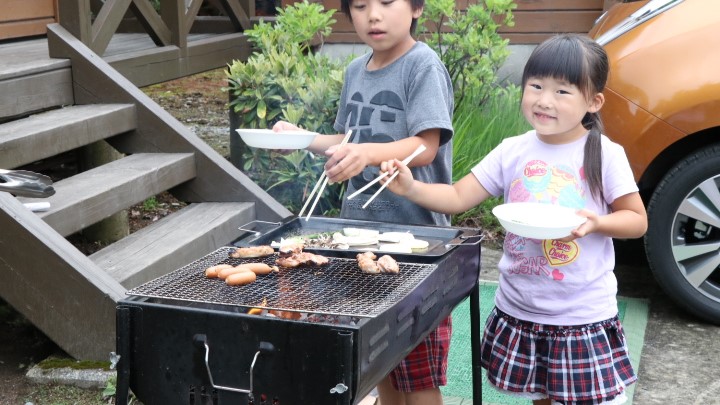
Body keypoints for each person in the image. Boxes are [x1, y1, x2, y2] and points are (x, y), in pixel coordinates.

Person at [379, 34, 648, 405]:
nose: (544, 100)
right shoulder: (513, 150)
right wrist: (410, 187)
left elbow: (636, 220)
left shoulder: (603, 153)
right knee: (540, 397)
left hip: (579, 312)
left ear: (593, 101)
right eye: (535, 86)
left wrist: (597, 223)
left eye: (562, 92)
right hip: (520, 305)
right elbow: (458, 196)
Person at [273, 0, 455, 403]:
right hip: (359, 236)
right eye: (359, 5)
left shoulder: (422, 66)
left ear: (416, 9)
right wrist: (302, 139)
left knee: (419, 370)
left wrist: (368, 154)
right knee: (378, 362)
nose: (373, 14)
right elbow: (348, 142)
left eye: (387, 2)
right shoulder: (356, 70)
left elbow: (426, 145)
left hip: (415, 239)